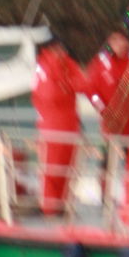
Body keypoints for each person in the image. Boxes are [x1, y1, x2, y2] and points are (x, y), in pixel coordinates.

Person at [33, 39, 84, 216]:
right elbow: (48, 95)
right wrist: (66, 85)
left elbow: (82, 84)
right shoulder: (44, 66)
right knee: (51, 168)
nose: (61, 52)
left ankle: (61, 206)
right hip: (51, 126)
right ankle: (49, 209)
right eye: (57, 49)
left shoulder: (68, 64)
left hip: (69, 124)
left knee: (66, 168)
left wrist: (65, 84)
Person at [85, 28, 129, 138]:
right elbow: (91, 91)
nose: (118, 44)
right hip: (109, 125)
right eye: (114, 40)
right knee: (109, 151)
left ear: (127, 42)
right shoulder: (99, 65)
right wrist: (103, 111)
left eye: (121, 39)